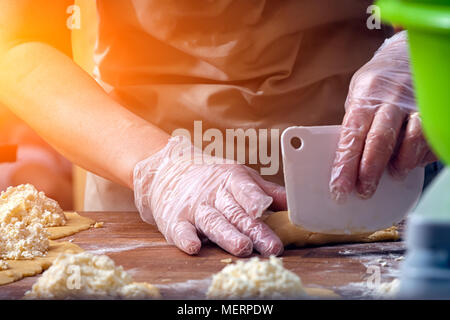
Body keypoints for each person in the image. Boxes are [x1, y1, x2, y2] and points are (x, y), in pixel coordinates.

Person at [0, 0, 436, 257]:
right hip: (139, 175)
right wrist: (161, 169)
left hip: (361, 170)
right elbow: (15, 44)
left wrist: (427, 52)